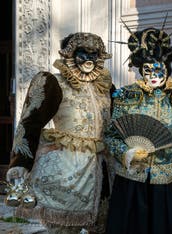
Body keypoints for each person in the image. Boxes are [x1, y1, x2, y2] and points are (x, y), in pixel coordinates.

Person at [6, 32, 114, 233]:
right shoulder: (54, 83)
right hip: (67, 170)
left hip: (103, 168)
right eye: (83, 54)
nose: (89, 59)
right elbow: (31, 122)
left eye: (94, 55)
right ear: (70, 55)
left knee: (102, 224)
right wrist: (21, 161)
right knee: (63, 228)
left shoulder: (105, 87)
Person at [105, 27, 172, 234]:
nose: (153, 75)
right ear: (140, 70)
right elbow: (111, 135)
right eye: (147, 70)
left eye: (158, 69)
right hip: (132, 178)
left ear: (167, 68)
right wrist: (126, 153)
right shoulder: (126, 96)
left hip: (166, 179)